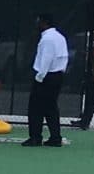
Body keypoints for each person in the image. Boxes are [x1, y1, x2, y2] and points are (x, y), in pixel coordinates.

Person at [27, 16, 69, 146]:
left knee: (35, 108)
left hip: (46, 76)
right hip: (57, 75)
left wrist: (39, 77)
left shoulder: (47, 39)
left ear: (45, 23)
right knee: (51, 107)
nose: (37, 24)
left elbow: (46, 59)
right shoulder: (60, 37)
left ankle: (35, 137)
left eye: (39, 21)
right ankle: (55, 137)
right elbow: (64, 57)